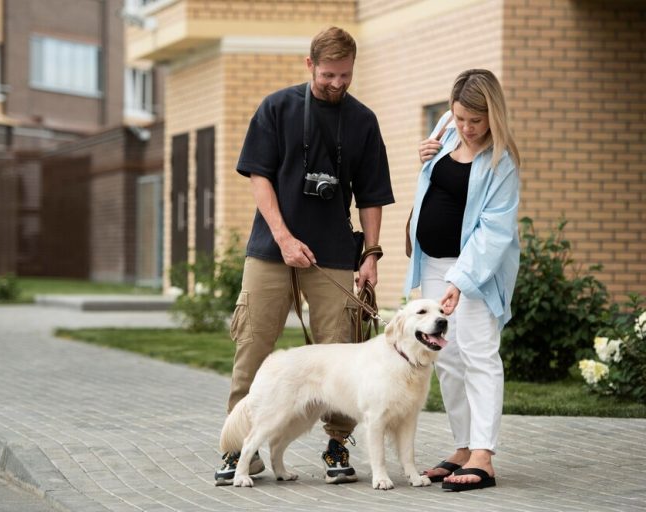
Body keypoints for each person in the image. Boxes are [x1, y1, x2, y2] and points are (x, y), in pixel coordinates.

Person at [214, 26, 395, 486]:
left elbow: (372, 196)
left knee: (341, 355)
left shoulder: (363, 121)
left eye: (346, 75)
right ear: (309, 65)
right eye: (329, 74)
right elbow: (259, 176)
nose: (337, 83)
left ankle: (337, 444)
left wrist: (370, 254)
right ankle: (239, 451)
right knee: (252, 346)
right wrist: (283, 237)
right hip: (271, 250)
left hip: (335, 254)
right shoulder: (276, 108)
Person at [404, 69, 521, 492]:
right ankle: (463, 446)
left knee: (478, 355)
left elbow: (494, 232)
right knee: (447, 358)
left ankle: (484, 455)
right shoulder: (448, 129)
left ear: (493, 114)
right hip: (434, 263)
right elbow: (435, 183)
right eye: (459, 118)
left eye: (475, 121)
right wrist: (426, 155)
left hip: (473, 271)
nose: (466, 128)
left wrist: (461, 280)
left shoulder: (501, 162)